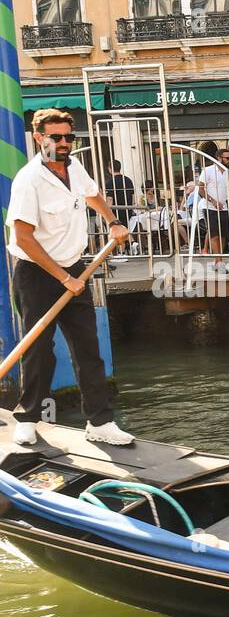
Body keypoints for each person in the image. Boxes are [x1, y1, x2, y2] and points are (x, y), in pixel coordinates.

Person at [6, 109, 133, 447]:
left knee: (88, 348)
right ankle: (28, 418)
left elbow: (92, 194)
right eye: (55, 138)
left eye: (68, 138)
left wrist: (113, 221)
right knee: (39, 350)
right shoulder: (28, 180)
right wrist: (63, 278)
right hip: (36, 274)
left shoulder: (75, 168)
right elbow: (24, 239)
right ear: (39, 138)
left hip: (75, 268)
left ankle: (100, 422)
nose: (63, 144)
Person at [197, 147, 229, 271]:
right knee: (214, 234)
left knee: (222, 235)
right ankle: (219, 261)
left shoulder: (228, 173)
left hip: (224, 207)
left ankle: (218, 260)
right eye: (227, 158)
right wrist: (213, 201)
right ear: (219, 158)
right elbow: (201, 188)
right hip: (210, 206)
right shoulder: (208, 170)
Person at [107, 160, 135, 228]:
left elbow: (110, 200)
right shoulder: (128, 180)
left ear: (110, 169)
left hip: (116, 213)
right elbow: (132, 198)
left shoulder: (110, 182)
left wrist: (108, 215)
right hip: (128, 211)